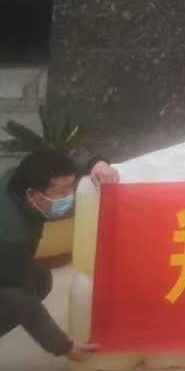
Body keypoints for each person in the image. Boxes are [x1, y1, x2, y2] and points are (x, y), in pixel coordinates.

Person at [2, 150, 119, 363]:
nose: (69, 197)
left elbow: (62, 170)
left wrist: (96, 163)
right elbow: (20, 299)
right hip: (6, 261)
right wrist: (63, 346)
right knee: (19, 295)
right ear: (33, 195)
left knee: (39, 278)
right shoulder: (14, 238)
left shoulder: (16, 179)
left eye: (71, 188)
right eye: (62, 192)